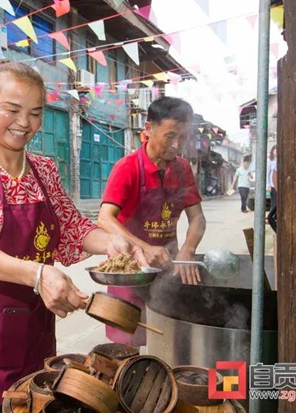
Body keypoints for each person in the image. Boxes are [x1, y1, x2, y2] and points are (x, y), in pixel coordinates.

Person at [0, 61, 147, 413]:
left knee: (35, 401)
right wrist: (38, 274)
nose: (24, 123)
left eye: (36, 113)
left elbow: (73, 227)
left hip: (33, 321)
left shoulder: (44, 169)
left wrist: (114, 243)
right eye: (12, 109)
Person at [97, 96, 207, 348]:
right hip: (130, 270)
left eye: (182, 137)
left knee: (167, 339)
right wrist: (144, 248)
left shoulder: (182, 169)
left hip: (168, 267)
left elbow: (198, 218)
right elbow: (105, 218)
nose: (177, 145)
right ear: (148, 129)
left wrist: (188, 249)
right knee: (127, 344)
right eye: (170, 136)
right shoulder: (127, 168)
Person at [267, 145, 278, 232]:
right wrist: (268, 185)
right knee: (274, 203)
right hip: (273, 185)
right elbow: (268, 174)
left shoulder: (278, 161)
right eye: (275, 150)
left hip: (277, 186)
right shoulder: (270, 161)